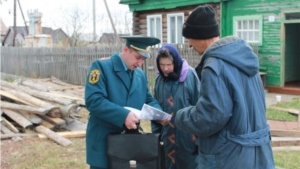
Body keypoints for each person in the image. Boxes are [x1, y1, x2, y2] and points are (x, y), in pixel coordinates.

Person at [175, 4, 275, 169]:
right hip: (258, 153)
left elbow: (210, 117)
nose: (189, 45)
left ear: (199, 36)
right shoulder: (246, 60)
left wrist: (181, 116)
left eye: (189, 39)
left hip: (229, 156)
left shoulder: (214, 65)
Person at [85, 36, 163, 169]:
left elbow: (147, 99)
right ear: (126, 50)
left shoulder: (140, 75)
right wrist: (123, 115)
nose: (139, 63)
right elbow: (94, 100)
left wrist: (158, 113)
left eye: (143, 60)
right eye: (137, 58)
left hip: (129, 145)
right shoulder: (101, 67)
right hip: (103, 143)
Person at [151, 44, 200, 169]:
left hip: (188, 140)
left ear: (176, 62)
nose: (165, 69)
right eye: (162, 65)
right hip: (167, 140)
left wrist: (199, 140)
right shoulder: (159, 80)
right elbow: (155, 109)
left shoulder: (190, 75)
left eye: (169, 65)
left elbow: (200, 107)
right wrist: (155, 136)